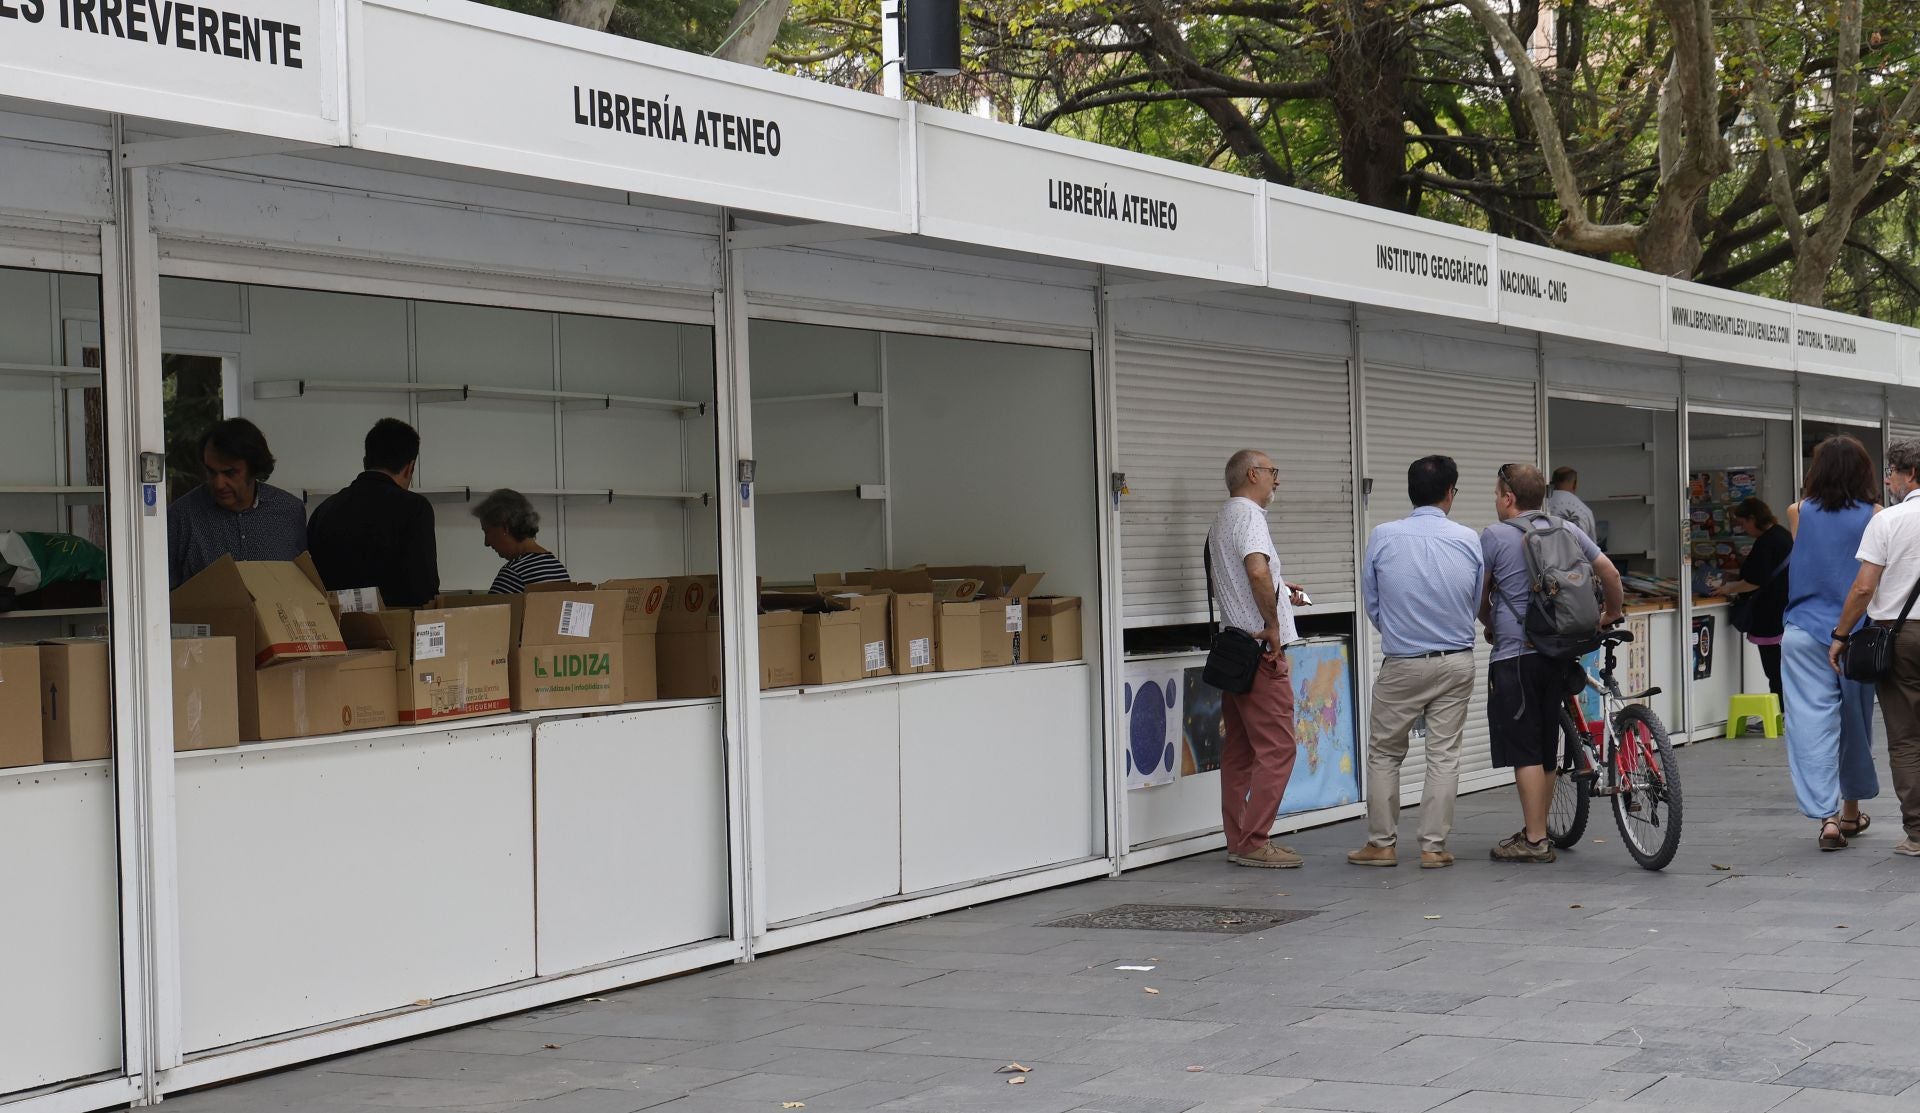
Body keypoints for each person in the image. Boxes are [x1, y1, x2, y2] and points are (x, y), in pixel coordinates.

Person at [1480, 463, 1624, 863]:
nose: (1496, 501)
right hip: (1559, 650)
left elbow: (1479, 595)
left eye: (1497, 494)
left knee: (1524, 747)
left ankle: (1535, 840)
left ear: (1509, 498)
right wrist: (1611, 613)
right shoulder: (1566, 528)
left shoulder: (1494, 536)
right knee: (1546, 746)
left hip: (1517, 654)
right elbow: (1610, 572)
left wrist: (1490, 624)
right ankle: (1537, 830)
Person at [1348, 456, 1483, 870]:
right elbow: (1474, 601)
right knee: (1443, 755)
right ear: (1450, 493)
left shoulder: (1383, 536)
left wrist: (1400, 631)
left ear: (1410, 492)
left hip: (1402, 663)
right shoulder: (1468, 539)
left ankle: (1381, 844)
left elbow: (1373, 603)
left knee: (1385, 753)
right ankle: (1433, 847)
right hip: (1456, 661)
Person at [1208, 449, 1311, 868]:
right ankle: (1254, 841)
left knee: (1239, 751)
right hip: (1260, 653)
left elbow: (1246, 576)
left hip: (1235, 653)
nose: (1277, 480)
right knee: (1279, 748)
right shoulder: (1250, 516)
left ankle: (1238, 838)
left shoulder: (1222, 518)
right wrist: (1273, 626)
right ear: (1253, 474)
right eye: (1272, 472)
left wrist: (1281, 590)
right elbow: (1254, 571)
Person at [1782, 435, 1880, 850]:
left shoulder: (1798, 511)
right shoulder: (1876, 516)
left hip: (1802, 629)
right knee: (1854, 722)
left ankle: (1828, 818)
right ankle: (1852, 811)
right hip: (1854, 633)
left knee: (1810, 725)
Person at [1827, 439, 1918, 853]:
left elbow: (1864, 588)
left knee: (1905, 737)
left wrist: (1841, 636)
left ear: (1909, 474)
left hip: (1900, 636)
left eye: (1892, 472)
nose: (1887, 481)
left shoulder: (1888, 521)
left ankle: (1918, 833)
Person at [306, 418, 440, 607]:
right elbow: (424, 587)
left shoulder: (324, 510)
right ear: (410, 468)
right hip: (396, 622)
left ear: (365, 462)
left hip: (335, 622)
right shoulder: (415, 508)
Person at [167, 417, 308, 587]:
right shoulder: (181, 516)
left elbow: (303, 586)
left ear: (253, 468)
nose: (219, 484)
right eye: (211, 472)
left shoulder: (289, 511)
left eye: (230, 473)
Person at [1713, 497, 1793, 699]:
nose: (1744, 529)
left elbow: (1755, 580)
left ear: (1753, 518)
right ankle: (1786, 709)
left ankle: (1780, 709)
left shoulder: (1766, 542)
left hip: (1770, 617)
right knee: (1784, 671)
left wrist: (1728, 588)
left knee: (1774, 670)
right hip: (1786, 614)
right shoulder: (1783, 535)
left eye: (1743, 523)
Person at [473, 489, 570, 594]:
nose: (486, 542)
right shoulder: (559, 569)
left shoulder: (513, 573)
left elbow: (494, 605)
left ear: (505, 528)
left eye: (487, 532)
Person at [1546, 466, 1598, 545]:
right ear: (1575, 484)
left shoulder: (1542, 505)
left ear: (1552, 483)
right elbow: (1592, 546)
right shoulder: (1586, 511)